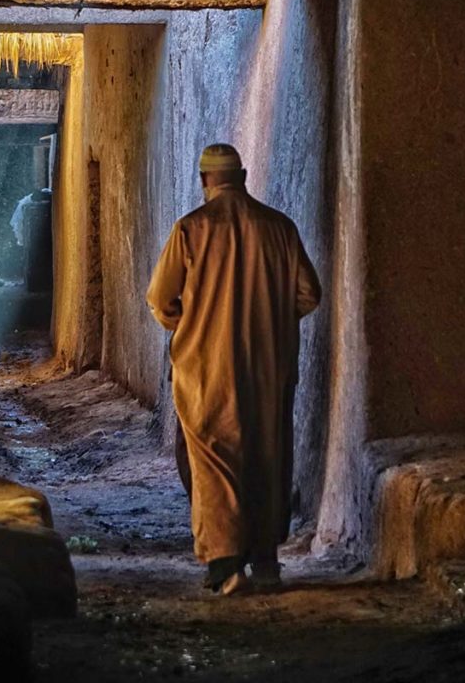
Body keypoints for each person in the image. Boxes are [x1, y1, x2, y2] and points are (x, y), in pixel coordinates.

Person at [146, 143, 321, 596]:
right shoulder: (280, 228)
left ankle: (225, 565)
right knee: (267, 456)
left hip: (204, 369)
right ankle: (265, 560)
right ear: (242, 176)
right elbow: (308, 294)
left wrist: (191, 321)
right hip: (268, 368)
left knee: (212, 461)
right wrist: (268, 320)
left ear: (205, 180)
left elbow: (159, 300)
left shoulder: (190, 230)